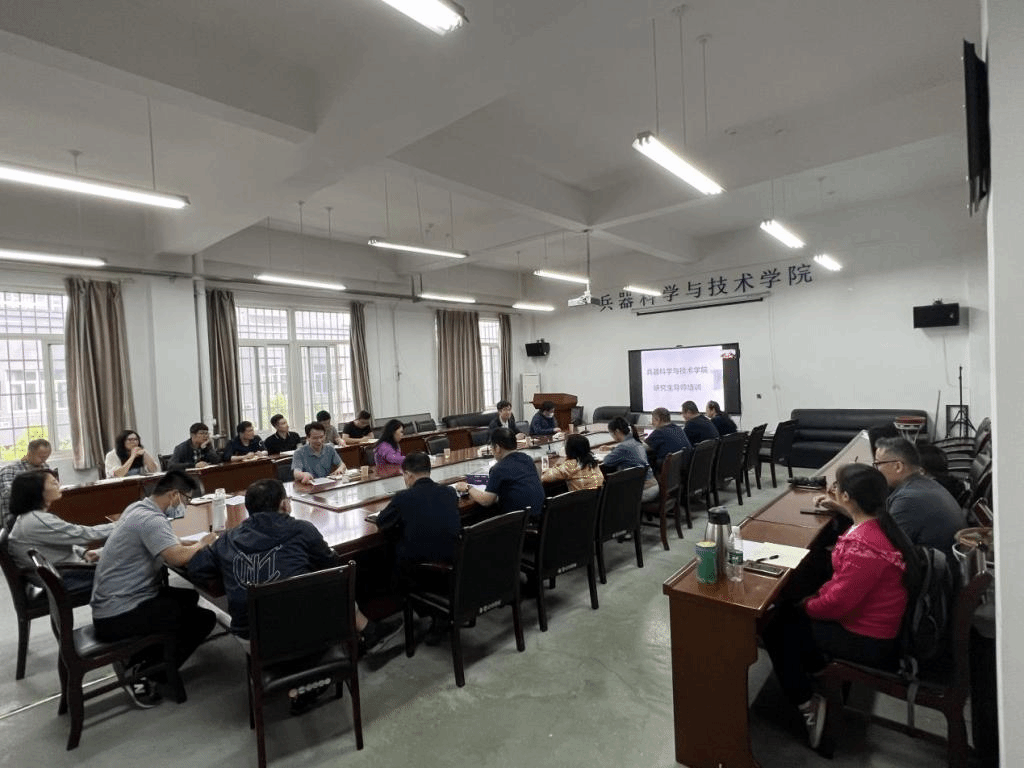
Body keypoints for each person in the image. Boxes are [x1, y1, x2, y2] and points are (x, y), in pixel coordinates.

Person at [763, 464, 913, 751]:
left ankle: (807, 703)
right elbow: (843, 589)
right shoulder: (880, 524)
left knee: (777, 627)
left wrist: (808, 604)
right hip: (875, 622)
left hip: (870, 639)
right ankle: (813, 667)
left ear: (846, 497)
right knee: (793, 606)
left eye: (836, 489)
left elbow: (837, 605)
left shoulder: (864, 545)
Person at [91, 471, 217, 707]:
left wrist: (188, 544)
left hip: (111, 603)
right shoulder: (152, 521)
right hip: (118, 614)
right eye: (187, 499)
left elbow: (168, 543)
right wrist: (201, 544)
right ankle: (145, 672)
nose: (186, 506)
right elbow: (176, 557)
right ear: (174, 495)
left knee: (189, 597)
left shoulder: (138, 508)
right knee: (204, 619)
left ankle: (143, 654)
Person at [8, 470, 113, 594]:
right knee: (128, 567)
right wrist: (123, 523)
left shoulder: (29, 518)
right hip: (63, 579)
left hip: (61, 572)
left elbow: (58, 540)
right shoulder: (36, 520)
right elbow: (84, 534)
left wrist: (83, 552)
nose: (59, 485)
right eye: (53, 483)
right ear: (37, 490)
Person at [871, 437, 965, 555]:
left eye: (878, 464)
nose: (875, 470)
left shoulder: (908, 499)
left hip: (934, 565)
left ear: (898, 466)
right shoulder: (924, 484)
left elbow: (883, 549)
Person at [376, 452, 461, 567]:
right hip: (453, 561)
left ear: (408, 474)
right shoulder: (449, 492)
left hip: (418, 569)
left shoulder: (403, 497)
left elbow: (381, 522)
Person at [455, 428, 545, 519]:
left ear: (497, 448)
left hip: (518, 522)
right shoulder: (527, 459)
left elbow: (486, 501)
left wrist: (468, 487)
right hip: (540, 516)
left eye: (492, 447)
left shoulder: (498, 469)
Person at [602, 417, 659, 502]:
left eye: (610, 432)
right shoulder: (635, 442)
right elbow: (626, 451)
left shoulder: (623, 447)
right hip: (652, 486)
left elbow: (607, 461)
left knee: (605, 494)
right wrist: (613, 449)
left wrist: (614, 451)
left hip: (643, 491)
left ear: (617, 431)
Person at [1, 438, 52, 530]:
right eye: (41, 457)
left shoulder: (45, 468)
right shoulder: (10, 469)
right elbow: (8, 493)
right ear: (29, 453)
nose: (44, 461)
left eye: (46, 457)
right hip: (15, 518)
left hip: (39, 514)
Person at [644, 407, 692, 471]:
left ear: (658, 419)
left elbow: (643, 447)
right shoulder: (678, 428)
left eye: (653, 420)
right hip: (683, 468)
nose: (652, 423)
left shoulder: (659, 432)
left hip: (668, 470)